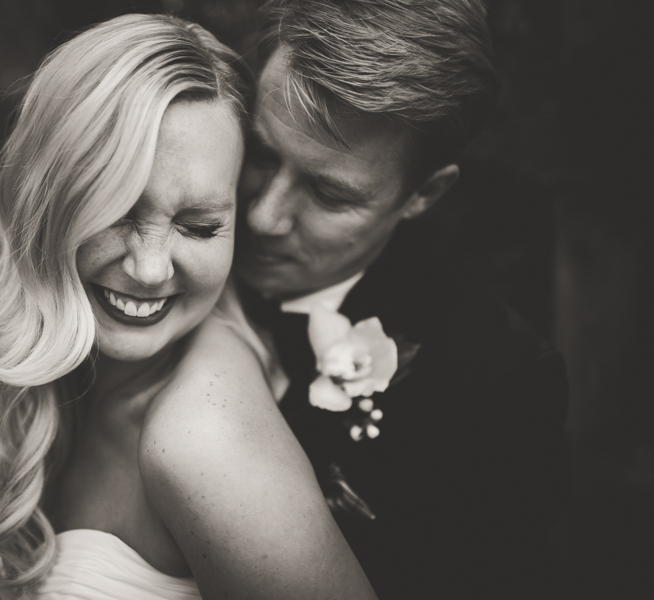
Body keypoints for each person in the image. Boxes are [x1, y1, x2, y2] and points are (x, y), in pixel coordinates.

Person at [0, 13, 376, 600]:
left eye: (200, 226)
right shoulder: (73, 372)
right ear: (44, 199)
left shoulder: (204, 441)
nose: (150, 269)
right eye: (117, 210)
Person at [235, 1, 570, 598]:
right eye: (261, 155)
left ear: (424, 194)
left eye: (328, 193)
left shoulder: (498, 385)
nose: (261, 218)